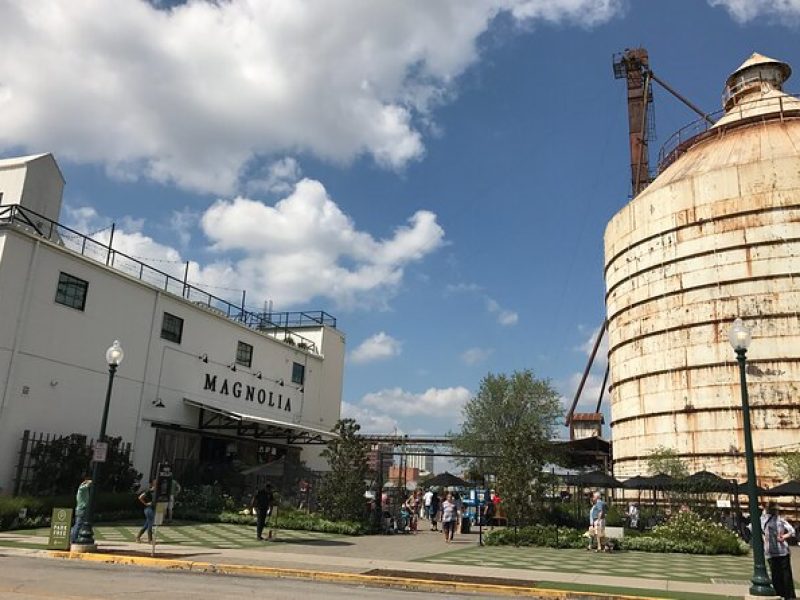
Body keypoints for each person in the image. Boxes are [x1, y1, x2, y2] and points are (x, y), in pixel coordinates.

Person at [762, 502, 796, 599]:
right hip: (782, 550)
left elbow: (752, 528)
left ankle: (779, 593)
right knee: (786, 574)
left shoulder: (764, 520)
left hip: (770, 551)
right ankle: (788, 595)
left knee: (775, 574)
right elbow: (792, 531)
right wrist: (784, 537)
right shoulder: (780, 520)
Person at [70, 474, 92, 543]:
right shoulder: (82, 488)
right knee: (78, 525)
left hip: (81, 509)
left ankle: (74, 538)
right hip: (81, 509)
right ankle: (74, 539)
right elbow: (90, 483)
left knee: (79, 525)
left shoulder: (82, 488)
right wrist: (87, 481)